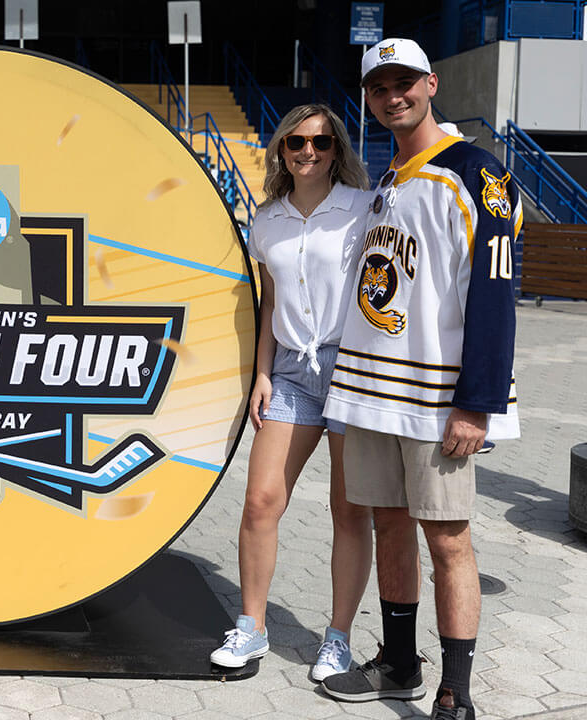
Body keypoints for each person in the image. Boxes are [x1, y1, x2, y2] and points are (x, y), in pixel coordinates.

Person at [319, 39, 520, 720]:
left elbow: (495, 290)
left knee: (448, 538)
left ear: (432, 84)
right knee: (388, 526)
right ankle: (400, 664)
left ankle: (457, 692)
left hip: (439, 400)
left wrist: (479, 402)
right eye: (379, 87)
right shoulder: (389, 177)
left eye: (404, 82)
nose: (392, 95)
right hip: (377, 394)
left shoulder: (475, 171)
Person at [209, 104, 374, 681]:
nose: (309, 152)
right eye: (297, 142)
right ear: (281, 149)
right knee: (260, 503)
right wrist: (261, 372)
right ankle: (252, 628)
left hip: (351, 370)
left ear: (337, 150)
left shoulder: (363, 209)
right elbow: (270, 302)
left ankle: (337, 637)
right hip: (291, 376)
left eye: (322, 143)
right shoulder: (266, 221)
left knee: (349, 510)